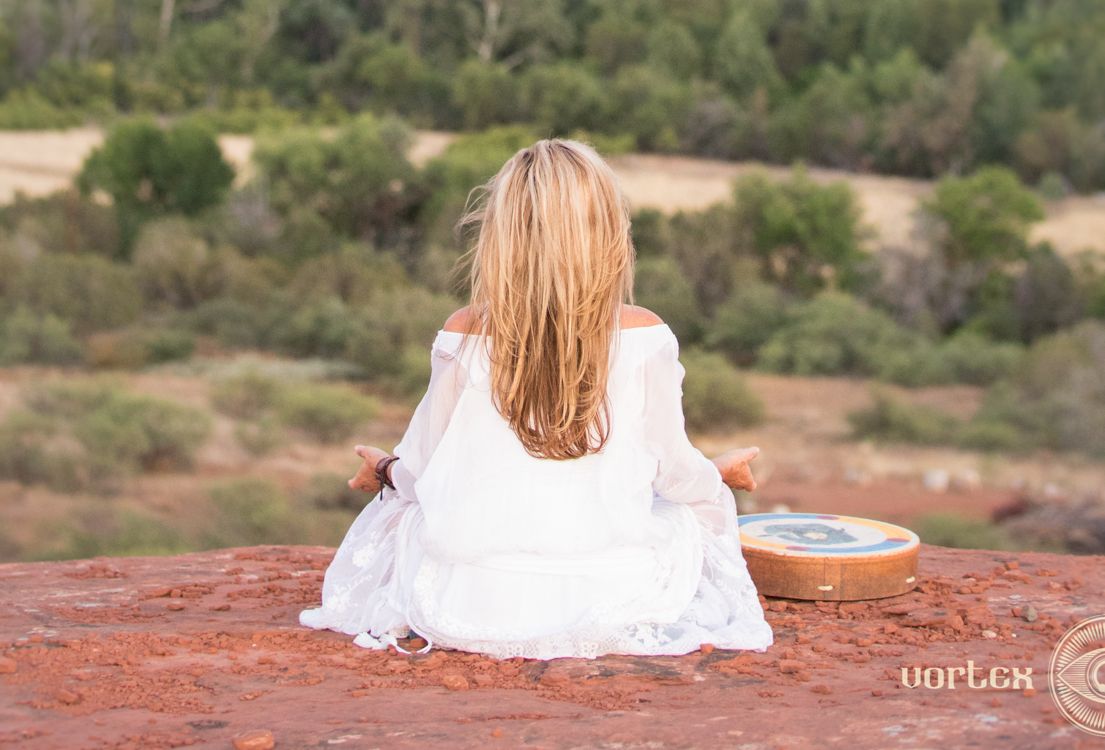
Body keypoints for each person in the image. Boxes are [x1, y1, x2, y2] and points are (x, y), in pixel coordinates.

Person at [300, 138, 773, 659]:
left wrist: (384, 470)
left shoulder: (467, 331)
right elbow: (676, 476)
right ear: (609, 232)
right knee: (692, 512)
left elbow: (422, 476)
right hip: (611, 589)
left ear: (501, 236)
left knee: (401, 512)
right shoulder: (644, 334)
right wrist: (721, 472)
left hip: (472, 598)